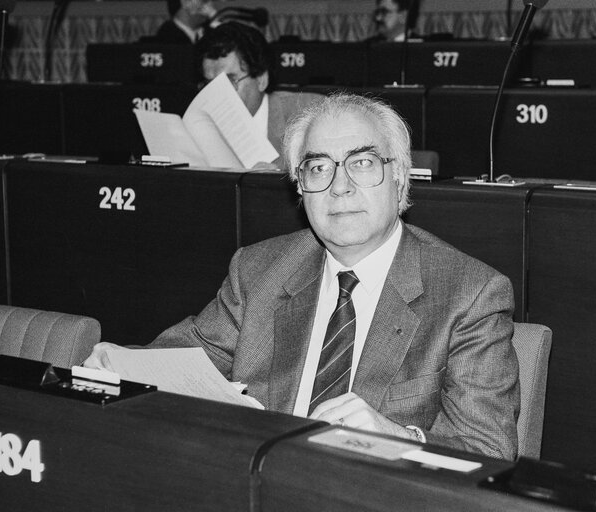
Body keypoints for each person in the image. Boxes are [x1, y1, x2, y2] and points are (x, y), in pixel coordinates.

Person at [85, 93, 520, 460]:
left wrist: (398, 439)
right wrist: (119, 366)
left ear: (400, 177)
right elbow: (176, 360)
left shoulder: (469, 293)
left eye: (362, 163)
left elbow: (489, 452)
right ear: (299, 188)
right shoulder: (258, 272)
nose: (339, 186)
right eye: (318, 168)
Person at [195, 21, 322, 163]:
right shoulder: (198, 127)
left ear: (261, 79)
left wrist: (273, 181)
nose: (216, 96)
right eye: (209, 85)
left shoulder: (311, 114)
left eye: (229, 82)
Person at [153, 0, 223, 45]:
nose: (210, 5)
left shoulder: (209, 31)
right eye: (204, 1)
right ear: (185, 3)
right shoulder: (168, 35)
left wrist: (217, 22)